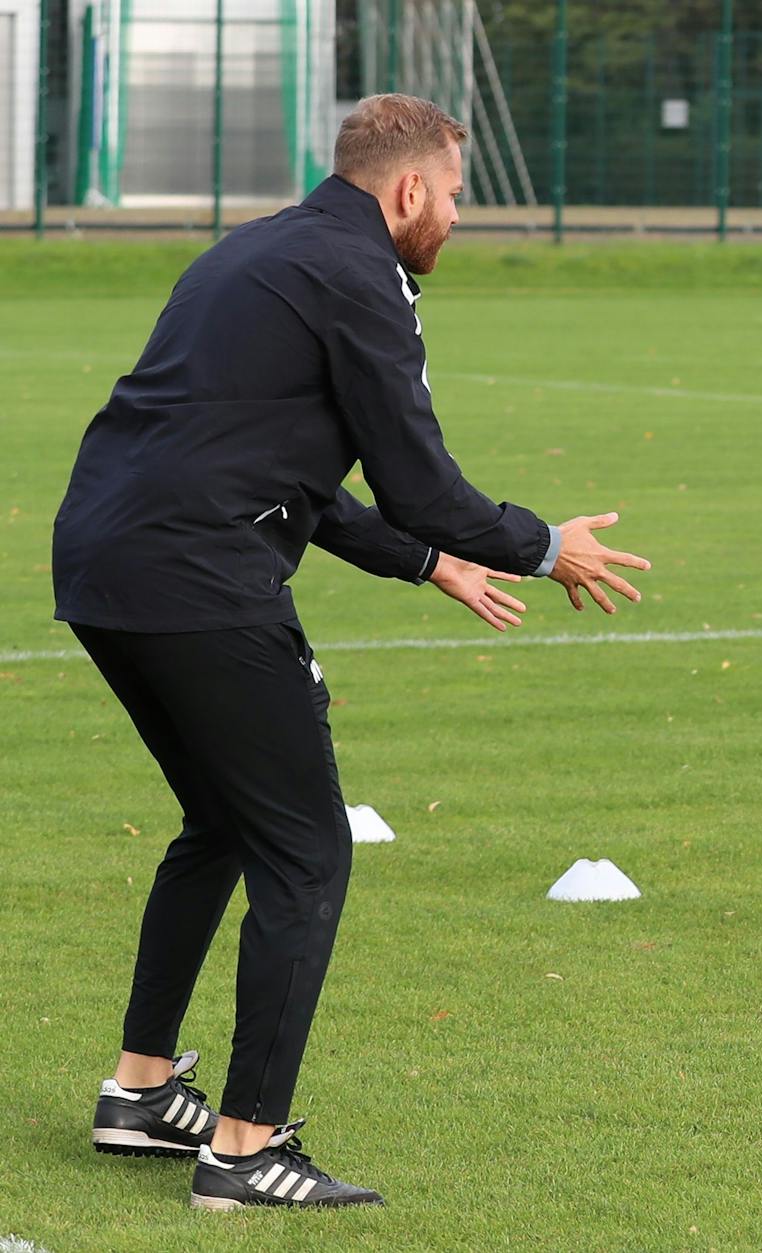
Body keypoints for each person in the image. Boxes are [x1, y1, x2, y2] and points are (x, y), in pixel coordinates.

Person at [53, 94, 651, 1208]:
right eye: (460, 194)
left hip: (104, 563)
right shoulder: (363, 275)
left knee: (227, 820)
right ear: (409, 188)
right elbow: (419, 483)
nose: (460, 218)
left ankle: (141, 1092)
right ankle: (245, 1146)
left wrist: (428, 563)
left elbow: (282, 466)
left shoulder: (261, 250)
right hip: (199, 576)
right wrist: (536, 543)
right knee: (308, 852)